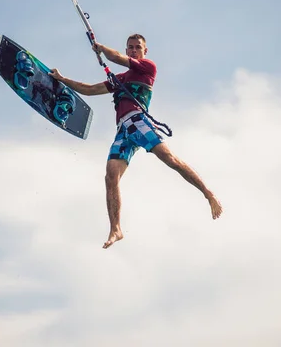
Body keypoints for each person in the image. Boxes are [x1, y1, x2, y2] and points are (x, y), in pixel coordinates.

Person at [49, 34, 223, 249]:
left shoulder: (147, 67)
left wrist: (101, 47)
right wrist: (62, 79)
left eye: (137, 48)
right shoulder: (120, 79)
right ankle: (116, 229)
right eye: (130, 47)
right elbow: (90, 89)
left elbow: (119, 58)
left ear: (144, 51)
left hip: (139, 122)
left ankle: (208, 193)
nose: (133, 51)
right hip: (123, 131)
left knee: (170, 159)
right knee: (111, 175)